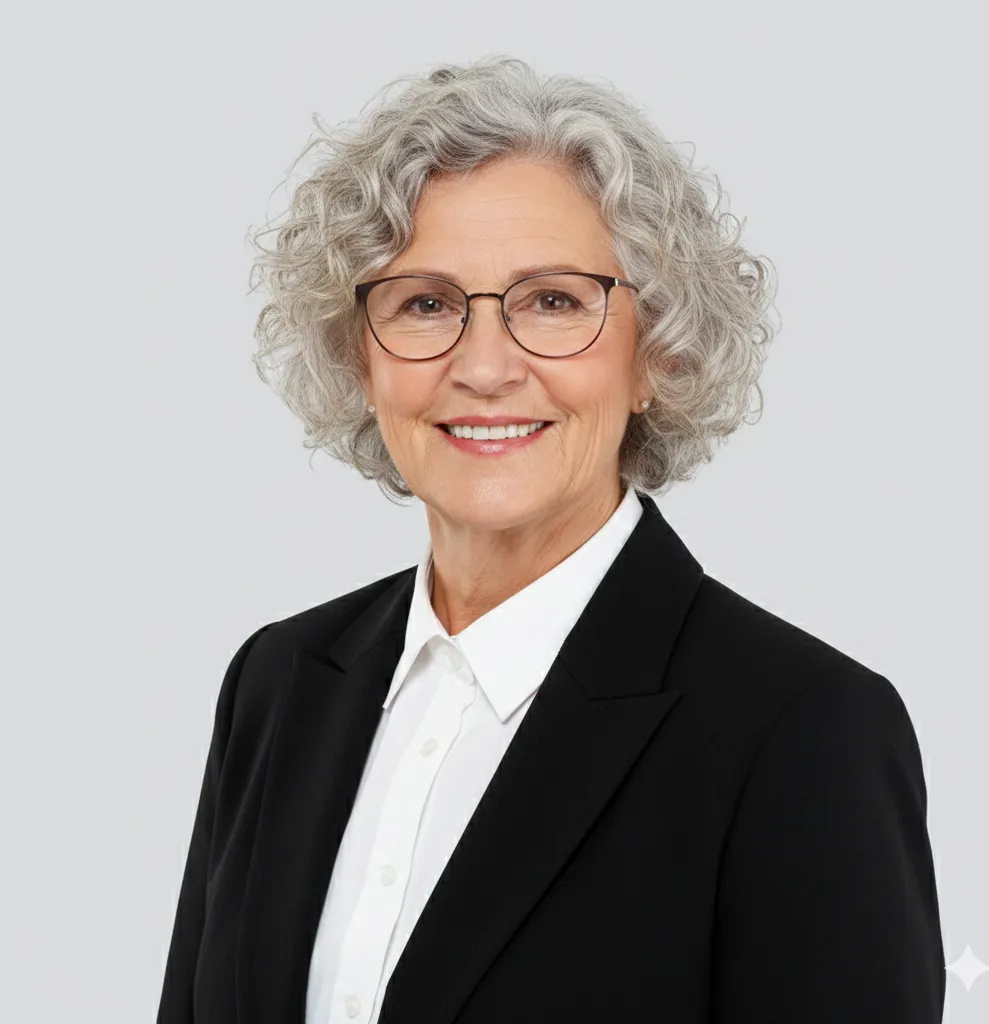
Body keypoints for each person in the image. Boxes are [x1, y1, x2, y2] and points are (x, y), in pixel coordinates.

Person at [156, 56, 945, 1024]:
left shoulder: (801, 729)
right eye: (425, 303)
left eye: (553, 301)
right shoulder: (279, 682)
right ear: (359, 356)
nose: (485, 367)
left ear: (657, 354)